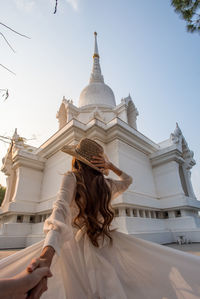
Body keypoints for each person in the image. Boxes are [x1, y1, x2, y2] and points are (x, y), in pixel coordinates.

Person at [1, 137, 200, 299]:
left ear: (77, 159)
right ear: (98, 163)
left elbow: (60, 209)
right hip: (103, 242)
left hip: (74, 247)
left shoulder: (72, 177)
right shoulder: (107, 185)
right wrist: (111, 166)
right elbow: (128, 180)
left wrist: (47, 253)